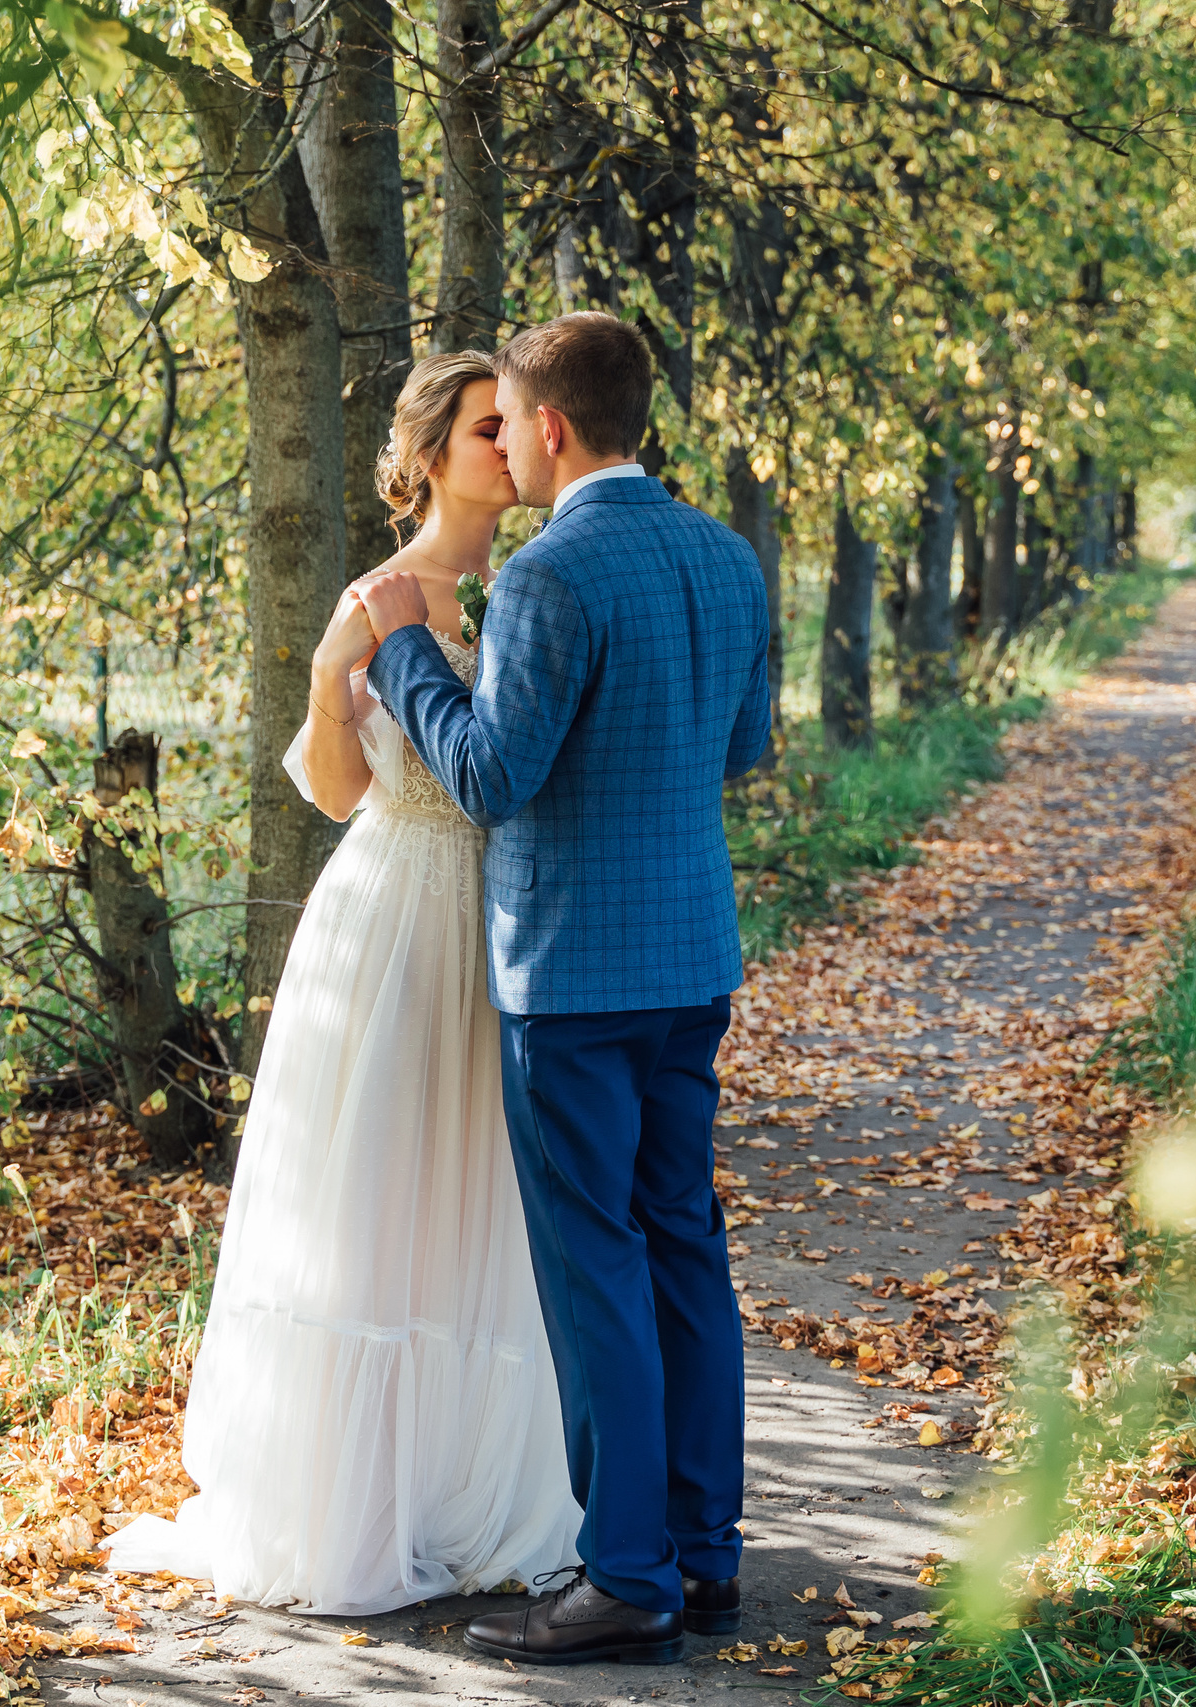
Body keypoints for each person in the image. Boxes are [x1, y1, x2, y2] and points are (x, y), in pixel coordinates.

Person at [102, 351, 581, 1613]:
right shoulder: (380, 596)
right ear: (430, 455)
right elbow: (332, 788)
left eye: (514, 426)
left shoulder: (539, 583)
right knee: (377, 1187)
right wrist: (327, 681)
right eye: (487, 428)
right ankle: (355, 1498)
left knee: (483, 1195)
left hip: (513, 918)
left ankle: (474, 1484)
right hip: (393, 909)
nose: (509, 443)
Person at [359, 312, 774, 1667]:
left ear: (548, 425)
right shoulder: (727, 556)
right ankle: (707, 1559)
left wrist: (411, 651)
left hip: (574, 975)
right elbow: (744, 747)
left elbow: (486, 776)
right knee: (685, 1243)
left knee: (596, 1260)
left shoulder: (547, 577)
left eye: (512, 422)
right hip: (691, 958)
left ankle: (626, 1571)